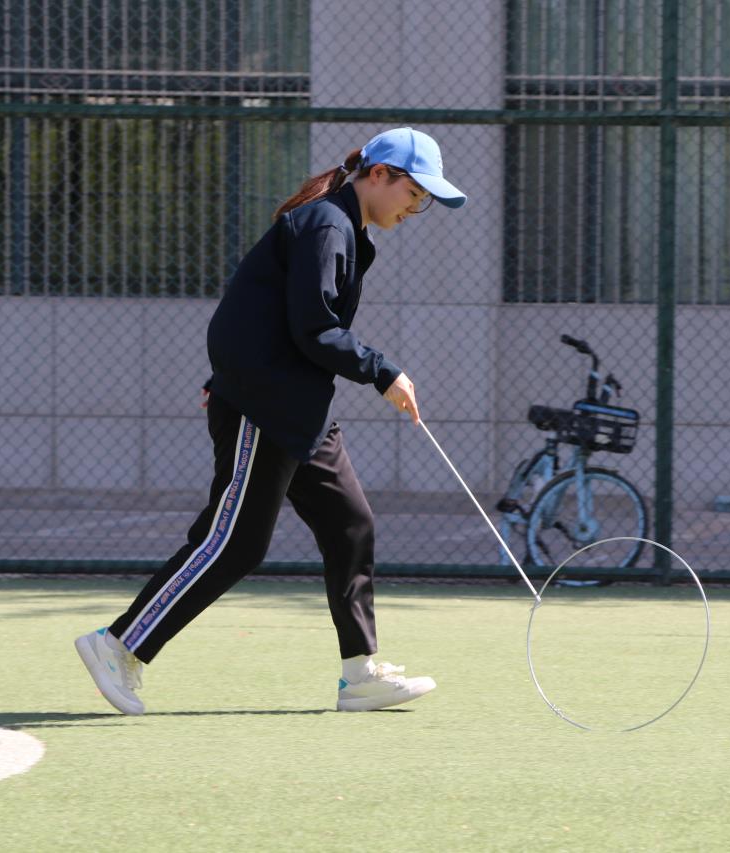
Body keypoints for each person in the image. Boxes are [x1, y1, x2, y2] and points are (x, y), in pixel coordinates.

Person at [74, 127, 467, 716]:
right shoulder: (327, 225)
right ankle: (119, 645)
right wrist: (382, 371)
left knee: (350, 524)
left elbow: (257, 310)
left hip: (299, 410)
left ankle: (360, 673)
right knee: (234, 544)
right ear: (379, 175)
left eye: (425, 200)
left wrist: (228, 374)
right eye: (414, 193)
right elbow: (313, 328)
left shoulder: (343, 228)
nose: (416, 208)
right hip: (267, 409)